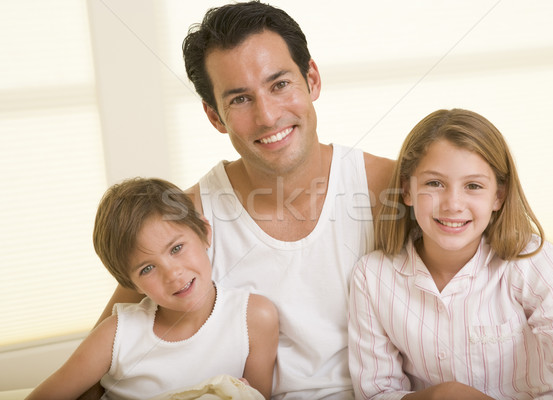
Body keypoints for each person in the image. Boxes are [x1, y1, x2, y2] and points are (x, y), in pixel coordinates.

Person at [94, 1, 395, 399]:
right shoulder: (184, 220)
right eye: (239, 99)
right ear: (214, 116)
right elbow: (104, 359)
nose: (268, 116)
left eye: (280, 84)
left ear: (312, 80)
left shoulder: (388, 187)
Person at [348, 108, 553, 399]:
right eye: (434, 183)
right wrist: (439, 395)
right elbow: (376, 391)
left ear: (498, 195)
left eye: (473, 186)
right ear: (407, 190)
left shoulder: (529, 260)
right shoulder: (373, 276)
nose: (453, 204)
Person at [26, 178, 278, 400]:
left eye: (177, 248)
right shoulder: (114, 337)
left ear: (204, 232)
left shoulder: (255, 318)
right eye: (147, 268)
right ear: (130, 284)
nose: (172, 274)